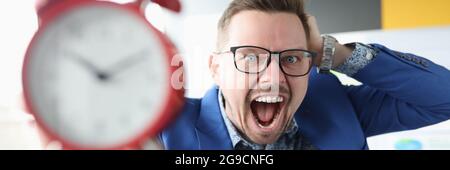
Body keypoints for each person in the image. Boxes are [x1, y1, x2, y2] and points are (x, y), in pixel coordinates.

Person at [160, 0, 450, 150]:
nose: (273, 77)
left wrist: (328, 50)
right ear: (216, 68)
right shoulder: (164, 128)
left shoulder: (336, 106)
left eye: (291, 58)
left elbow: (443, 97)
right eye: (250, 57)